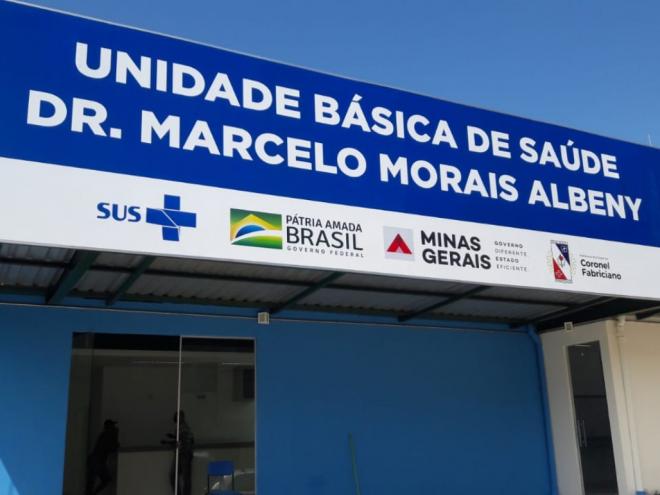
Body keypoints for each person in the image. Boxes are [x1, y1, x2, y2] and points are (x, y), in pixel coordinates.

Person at [164, 410, 194, 495]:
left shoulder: (185, 428)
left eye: (179, 417)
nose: (178, 419)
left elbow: (188, 440)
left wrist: (178, 442)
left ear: (182, 417)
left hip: (185, 454)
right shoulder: (178, 428)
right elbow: (177, 441)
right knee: (173, 475)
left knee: (185, 477)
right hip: (179, 454)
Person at [85, 419, 119, 495]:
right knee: (96, 481)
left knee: (92, 482)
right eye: (112, 426)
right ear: (109, 427)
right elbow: (112, 448)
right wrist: (115, 437)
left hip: (95, 460)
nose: (114, 427)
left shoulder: (105, 435)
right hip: (97, 460)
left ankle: (91, 493)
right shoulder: (107, 435)